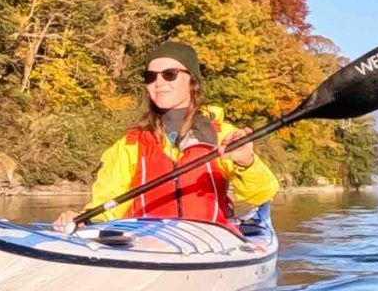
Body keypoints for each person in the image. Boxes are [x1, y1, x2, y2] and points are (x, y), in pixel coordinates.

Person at [56, 40, 278, 233]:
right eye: (150, 77)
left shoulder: (224, 136)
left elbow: (261, 194)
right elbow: (108, 202)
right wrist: (82, 219)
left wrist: (246, 163)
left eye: (169, 75)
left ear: (192, 82)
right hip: (144, 242)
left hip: (209, 243)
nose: (158, 83)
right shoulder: (129, 144)